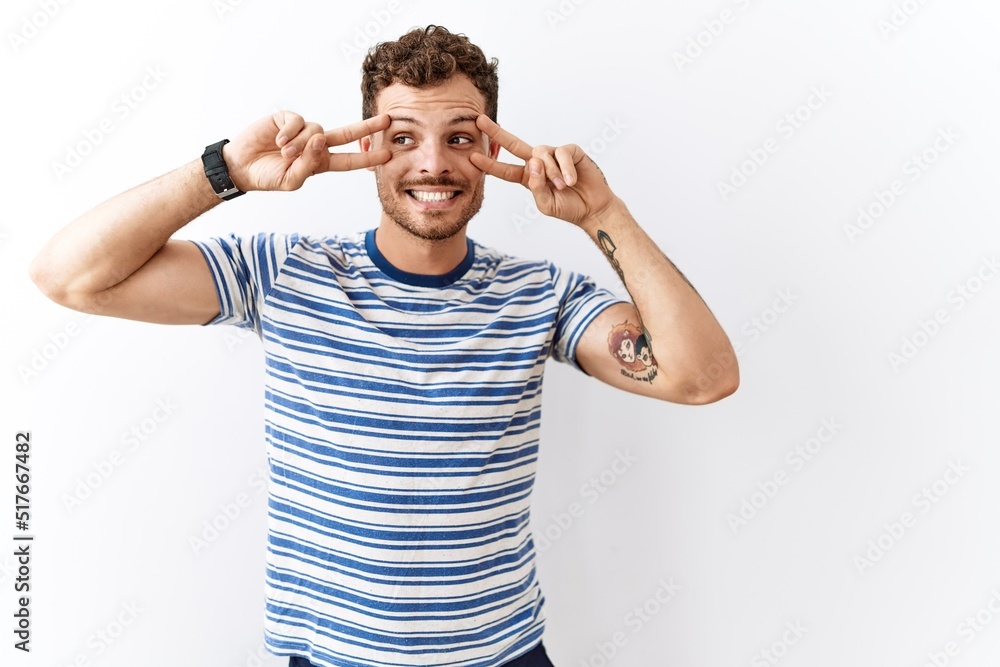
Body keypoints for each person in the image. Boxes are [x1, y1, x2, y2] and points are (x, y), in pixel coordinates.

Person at [29, 24, 738, 667]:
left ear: (491, 147)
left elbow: (702, 376)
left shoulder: (540, 294)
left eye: (460, 136)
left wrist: (602, 214)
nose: (433, 164)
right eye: (403, 137)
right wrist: (226, 174)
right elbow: (70, 277)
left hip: (501, 655)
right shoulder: (284, 271)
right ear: (368, 146)